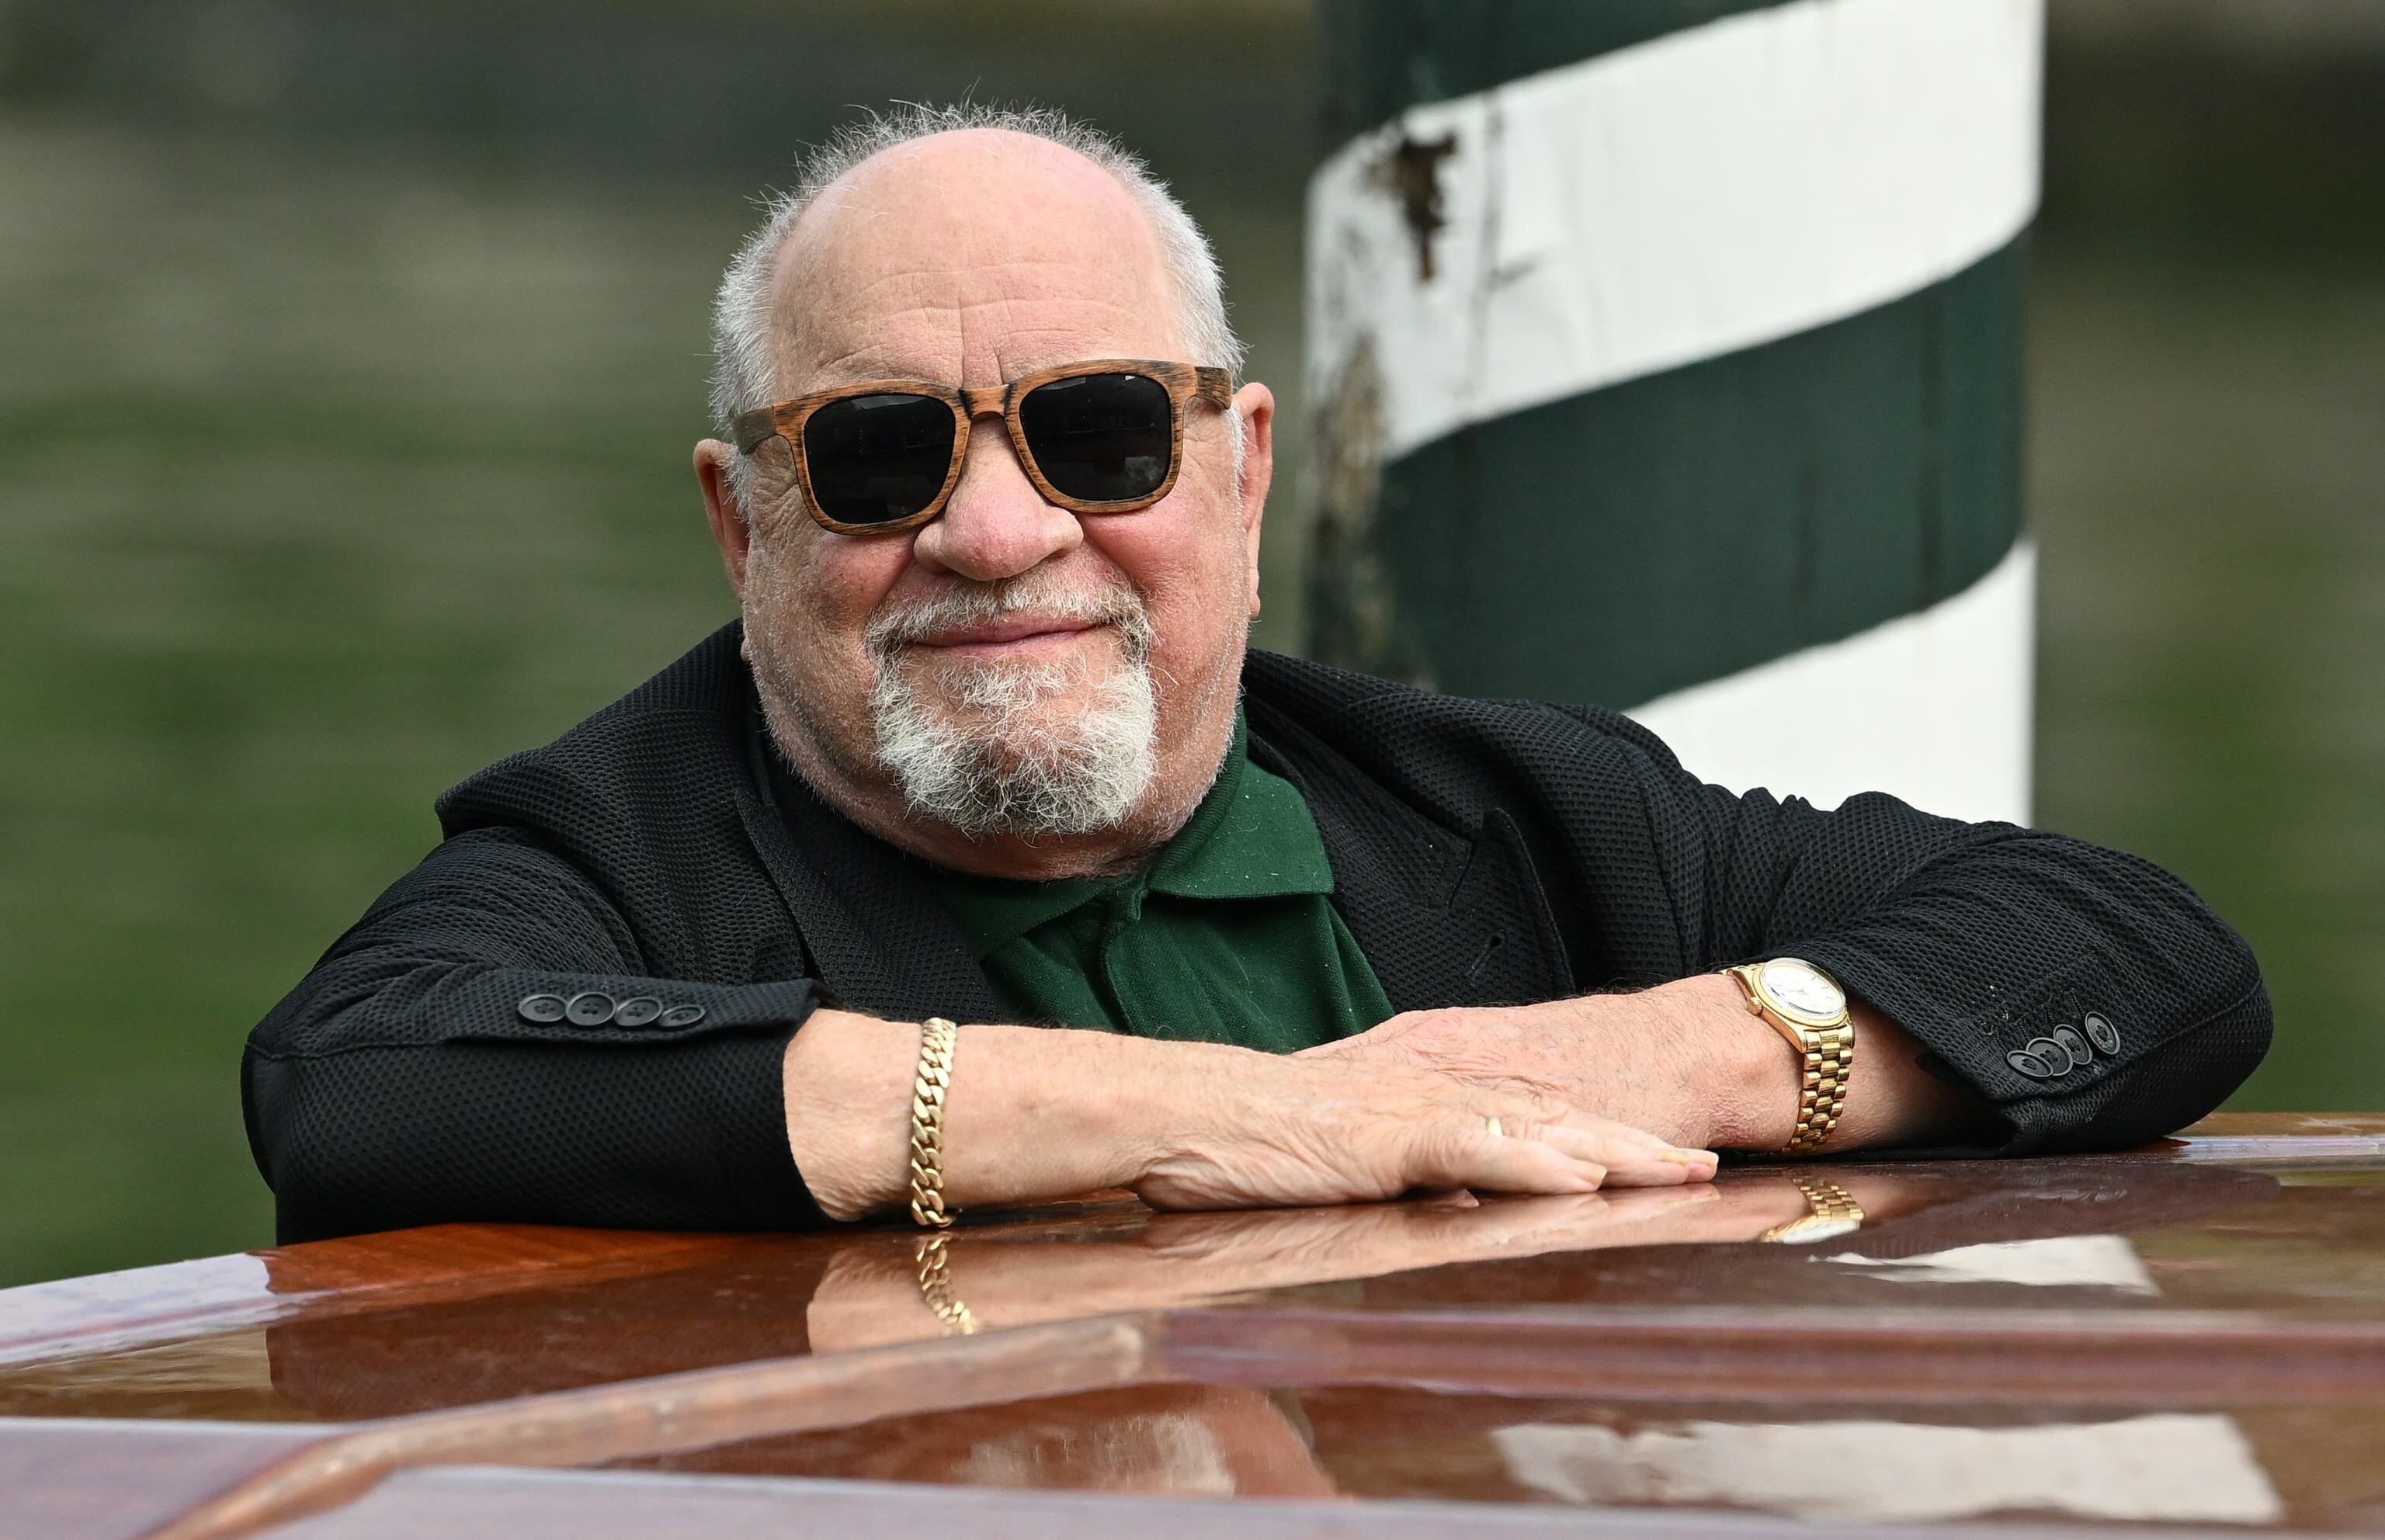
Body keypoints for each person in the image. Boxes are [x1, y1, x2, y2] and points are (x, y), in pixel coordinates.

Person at [243, 106, 2270, 1244]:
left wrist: (1592, 1069)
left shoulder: (1519, 811)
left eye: (1101, 432)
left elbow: (2142, 952)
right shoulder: (613, 844)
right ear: (737, 519)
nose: (998, 529)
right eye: (880, 453)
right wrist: (1219, 1119)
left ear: (1245, 466)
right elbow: (364, 1081)